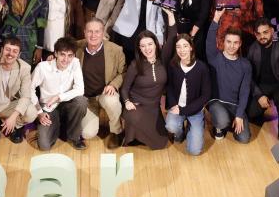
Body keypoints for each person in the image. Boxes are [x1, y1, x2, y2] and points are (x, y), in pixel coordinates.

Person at [120, 15, 177, 149]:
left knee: (161, 144)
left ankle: (140, 133)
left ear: (156, 44)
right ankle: (133, 134)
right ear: (139, 48)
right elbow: (124, 89)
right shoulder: (135, 65)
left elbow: (173, 37)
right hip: (137, 106)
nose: (147, 48)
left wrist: (170, 15)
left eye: (150, 44)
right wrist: (127, 102)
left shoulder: (163, 58)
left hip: (154, 108)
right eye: (143, 46)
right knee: (134, 118)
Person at [32, 38, 94, 150]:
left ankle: (74, 137)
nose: (66, 59)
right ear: (55, 53)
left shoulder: (75, 63)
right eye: (62, 55)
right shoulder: (42, 67)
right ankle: (60, 126)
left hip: (67, 104)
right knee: (44, 145)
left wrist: (58, 97)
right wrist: (39, 113)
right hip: (49, 108)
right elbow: (29, 89)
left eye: (70, 55)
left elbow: (80, 90)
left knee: (81, 101)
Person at [75, 18, 127, 149]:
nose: (93, 35)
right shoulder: (76, 47)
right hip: (87, 98)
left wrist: (113, 84)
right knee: (87, 133)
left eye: (97, 31)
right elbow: (61, 54)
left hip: (105, 93)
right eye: (90, 31)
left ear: (103, 33)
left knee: (111, 102)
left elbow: (124, 72)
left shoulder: (116, 50)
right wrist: (52, 57)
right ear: (84, 32)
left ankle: (117, 131)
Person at [205, 13, 253, 143]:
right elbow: (209, 41)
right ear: (223, 42)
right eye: (229, 42)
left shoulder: (245, 65)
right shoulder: (216, 58)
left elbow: (244, 91)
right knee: (222, 120)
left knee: (244, 138)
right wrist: (215, 19)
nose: (232, 46)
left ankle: (230, 121)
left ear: (240, 44)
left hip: (235, 105)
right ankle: (220, 126)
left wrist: (239, 115)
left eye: (235, 43)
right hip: (217, 102)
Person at [246, 18, 279, 139]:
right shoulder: (252, 49)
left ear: (272, 31)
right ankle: (259, 115)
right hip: (262, 86)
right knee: (251, 113)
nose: (262, 36)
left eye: (265, 32)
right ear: (255, 35)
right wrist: (258, 95)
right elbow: (248, 76)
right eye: (259, 33)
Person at [164, 30, 211, 155]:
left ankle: (193, 126)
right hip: (177, 107)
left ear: (191, 47)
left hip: (195, 110)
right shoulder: (173, 65)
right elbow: (169, 87)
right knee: (170, 126)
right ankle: (180, 133)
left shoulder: (202, 68)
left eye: (185, 46)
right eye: (178, 47)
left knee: (194, 151)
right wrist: (174, 104)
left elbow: (206, 95)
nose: (182, 50)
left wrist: (183, 111)